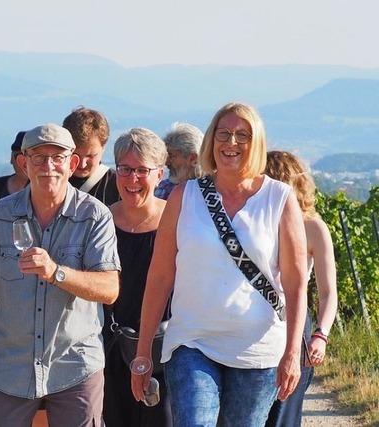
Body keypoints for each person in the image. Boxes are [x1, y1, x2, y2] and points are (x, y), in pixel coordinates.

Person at [131, 102, 308, 427]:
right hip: (192, 342)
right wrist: (143, 354)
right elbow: (159, 277)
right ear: (211, 141)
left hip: (257, 348)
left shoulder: (279, 198)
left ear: (256, 144)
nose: (231, 143)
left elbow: (296, 284)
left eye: (243, 135)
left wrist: (292, 353)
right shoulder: (184, 196)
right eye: (223, 134)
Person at [0, 123, 120, 427]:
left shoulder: (95, 216)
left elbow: (109, 288)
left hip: (75, 366)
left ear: (73, 164)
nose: (48, 167)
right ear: (23, 164)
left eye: (58, 158)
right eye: (39, 158)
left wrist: (57, 273)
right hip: (10, 369)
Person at [103, 128, 172, 427]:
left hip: (166, 350)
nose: (132, 179)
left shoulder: (177, 221)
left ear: (160, 174)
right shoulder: (100, 221)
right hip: (110, 348)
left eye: (142, 170)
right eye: (125, 169)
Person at [264, 150, 338, 427]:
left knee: (284, 412)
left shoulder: (314, 228)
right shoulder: (254, 222)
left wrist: (321, 334)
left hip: (293, 324)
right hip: (253, 324)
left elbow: (328, 291)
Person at [63, 107, 120, 206]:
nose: (82, 164)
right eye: (75, 155)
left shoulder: (118, 186)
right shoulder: (52, 180)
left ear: (103, 147)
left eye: (90, 155)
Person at [155, 122, 203, 200]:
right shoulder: (164, 189)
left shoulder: (215, 191)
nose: (166, 162)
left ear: (193, 158)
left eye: (172, 156)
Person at [0, 131, 29, 199]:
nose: (23, 163)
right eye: (19, 157)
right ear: (11, 158)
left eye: (28, 157)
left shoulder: (43, 190)